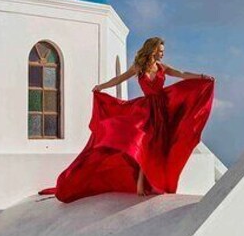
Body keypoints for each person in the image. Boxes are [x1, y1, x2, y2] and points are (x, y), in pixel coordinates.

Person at [39, 37, 215, 203]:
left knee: (158, 146)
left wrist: (201, 77)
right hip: (146, 111)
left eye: (163, 51)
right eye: (160, 50)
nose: (162, 54)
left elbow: (182, 74)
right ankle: (140, 183)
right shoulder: (138, 68)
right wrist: (102, 87)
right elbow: (119, 79)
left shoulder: (162, 67)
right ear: (152, 50)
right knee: (142, 144)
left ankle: (155, 182)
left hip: (163, 110)